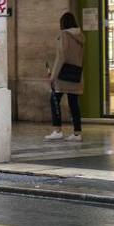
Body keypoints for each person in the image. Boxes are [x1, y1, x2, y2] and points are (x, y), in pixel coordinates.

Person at [45, 12, 85, 142]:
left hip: (63, 75)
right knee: (74, 104)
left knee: (54, 100)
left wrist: (53, 76)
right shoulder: (80, 36)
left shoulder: (64, 35)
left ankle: (57, 130)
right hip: (76, 74)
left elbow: (61, 56)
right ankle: (77, 133)